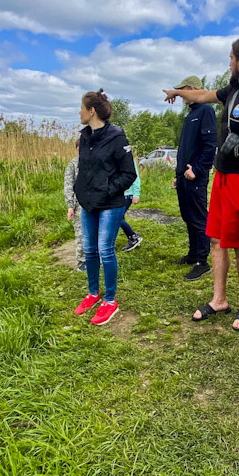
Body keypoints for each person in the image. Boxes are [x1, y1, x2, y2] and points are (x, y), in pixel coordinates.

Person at [163, 35, 239, 330]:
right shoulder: (233, 90)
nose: (228, 62)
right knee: (216, 239)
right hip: (222, 177)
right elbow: (202, 95)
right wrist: (177, 92)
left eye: (230, 57)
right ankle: (219, 300)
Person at [73, 89, 137, 326]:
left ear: (92, 111)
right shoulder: (85, 137)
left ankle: (110, 301)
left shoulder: (117, 138)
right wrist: (81, 191)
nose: (78, 112)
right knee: (90, 250)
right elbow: (85, 170)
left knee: (105, 249)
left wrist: (107, 189)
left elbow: (129, 174)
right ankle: (93, 293)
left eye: (81, 107)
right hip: (88, 203)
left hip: (110, 203)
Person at [170, 75, 217, 281]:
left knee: (198, 218)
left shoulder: (206, 110)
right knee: (187, 216)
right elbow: (186, 149)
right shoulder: (191, 114)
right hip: (183, 177)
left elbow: (210, 146)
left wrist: (197, 170)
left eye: (182, 91)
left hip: (195, 177)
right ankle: (192, 254)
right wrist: (178, 174)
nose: (181, 95)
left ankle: (202, 262)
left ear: (191, 89)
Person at [64, 140, 86, 271]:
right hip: (79, 206)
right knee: (81, 234)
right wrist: (70, 206)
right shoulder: (73, 165)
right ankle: (81, 262)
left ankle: (95, 259)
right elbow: (68, 186)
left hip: (95, 205)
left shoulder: (95, 163)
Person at [119, 158, 143, 251]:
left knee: (118, 218)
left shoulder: (128, 160)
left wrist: (136, 194)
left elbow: (135, 177)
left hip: (128, 194)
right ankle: (131, 237)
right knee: (120, 217)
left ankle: (133, 237)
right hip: (118, 194)